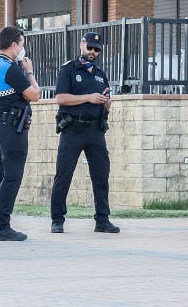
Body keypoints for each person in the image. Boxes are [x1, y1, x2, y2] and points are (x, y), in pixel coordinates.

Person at [50, 32, 119, 234]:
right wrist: (88, 97)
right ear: (82, 45)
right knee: (64, 174)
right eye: (90, 47)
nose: (93, 52)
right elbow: (61, 98)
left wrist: (106, 102)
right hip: (73, 129)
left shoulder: (100, 73)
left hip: (95, 130)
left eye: (97, 49)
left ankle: (102, 220)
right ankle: (57, 219)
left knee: (101, 175)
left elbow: (107, 104)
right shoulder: (68, 70)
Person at [0, 26, 40, 241]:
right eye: (22, 44)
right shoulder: (11, 69)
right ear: (14, 45)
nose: (23, 49)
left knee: (1, 176)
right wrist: (30, 72)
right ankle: (1, 226)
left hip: (1, 125)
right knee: (12, 177)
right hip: (12, 128)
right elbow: (35, 94)